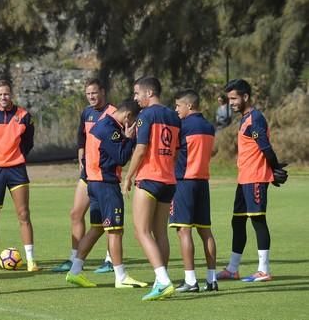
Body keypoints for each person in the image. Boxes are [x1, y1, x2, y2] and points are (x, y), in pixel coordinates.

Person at [65, 99, 148, 290]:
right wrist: (130, 138)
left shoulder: (102, 125)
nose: (135, 126)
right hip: (106, 185)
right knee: (115, 230)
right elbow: (121, 158)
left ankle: (75, 271)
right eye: (135, 121)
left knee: (97, 228)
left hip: (93, 184)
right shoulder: (110, 129)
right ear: (128, 117)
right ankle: (121, 276)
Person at [217, 79, 287, 282]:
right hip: (244, 179)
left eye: (234, 98)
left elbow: (265, 148)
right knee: (237, 221)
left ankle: (263, 270)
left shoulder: (255, 119)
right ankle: (232, 269)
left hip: (255, 178)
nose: (231, 102)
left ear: (245, 97)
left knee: (257, 220)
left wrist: (274, 170)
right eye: (229, 99)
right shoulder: (244, 118)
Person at [122, 76, 180, 301]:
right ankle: (161, 280)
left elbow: (141, 149)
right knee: (160, 233)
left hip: (149, 179)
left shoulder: (147, 114)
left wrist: (128, 177)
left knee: (141, 231)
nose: (135, 99)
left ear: (148, 93)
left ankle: (163, 280)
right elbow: (174, 151)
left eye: (137, 94)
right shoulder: (174, 116)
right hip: (168, 180)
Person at [53, 78, 115, 273]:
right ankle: (74, 257)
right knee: (76, 213)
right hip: (87, 172)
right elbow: (82, 135)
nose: (91, 97)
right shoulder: (86, 113)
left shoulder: (113, 113)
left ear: (102, 92)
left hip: (105, 174)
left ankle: (111, 260)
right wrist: (81, 150)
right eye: (88, 94)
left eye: (94, 93)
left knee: (107, 220)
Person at [0, 80, 38, 272]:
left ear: (11, 94)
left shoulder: (24, 116)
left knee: (23, 214)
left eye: (6, 94)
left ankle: (30, 260)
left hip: (17, 170)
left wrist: (19, 155)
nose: (4, 97)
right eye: (0, 94)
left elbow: (28, 141)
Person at [169, 89, 218, 292]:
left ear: (189, 105)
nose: (176, 110)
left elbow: (172, 152)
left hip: (184, 182)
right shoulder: (208, 126)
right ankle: (211, 279)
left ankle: (190, 281)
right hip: (202, 182)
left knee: (184, 230)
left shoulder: (182, 126)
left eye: (178, 105)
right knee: (205, 231)